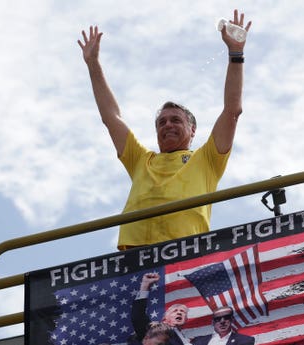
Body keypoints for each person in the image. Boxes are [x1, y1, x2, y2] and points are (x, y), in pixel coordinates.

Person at [78, 10, 252, 250]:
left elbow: (232, 110)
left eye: (175, 120)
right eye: (162, 122)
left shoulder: (207, 160)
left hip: (184, 254)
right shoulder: (141, 160)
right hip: (135, 257)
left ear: (192, 130)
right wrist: (93, 64)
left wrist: (236, 54)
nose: (167, 125)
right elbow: (111, 117)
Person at [131, 272, 205, 345]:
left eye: (183, 312)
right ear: (165, 317)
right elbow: (137, 318)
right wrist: (145, 286)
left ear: (186, 319)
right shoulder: (158, 332)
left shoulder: (192, 344)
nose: (179, 312)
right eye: (175, 311)